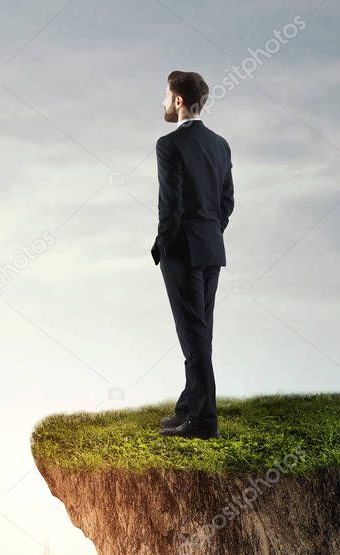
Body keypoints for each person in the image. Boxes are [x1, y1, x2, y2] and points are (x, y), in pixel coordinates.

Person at [152, 70, 234, 439]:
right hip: (211, 247)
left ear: (179, 101)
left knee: (193, 335)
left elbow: (170, 206)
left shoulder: (168, 145)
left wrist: (163, 244)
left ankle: (203, 421)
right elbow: (226, 202)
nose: (164, 102)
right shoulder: (221, 145)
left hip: (183, 249)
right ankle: (189, 405)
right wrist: (211, 232)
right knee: (201, 332)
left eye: (167, 96)